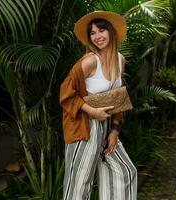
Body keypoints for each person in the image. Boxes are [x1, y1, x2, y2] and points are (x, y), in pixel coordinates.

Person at [59, 11, 137, 200]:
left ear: (111, 32)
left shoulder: (120, 60)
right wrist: (92, 110)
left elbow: (117, 98)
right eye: (92, 33)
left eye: (101, 30)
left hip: (106, 126)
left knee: (125, 171)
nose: (97, 36)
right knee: (79, 185)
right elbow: (65, 94)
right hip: (83, 126)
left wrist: (115, 131)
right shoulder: (89, 61)